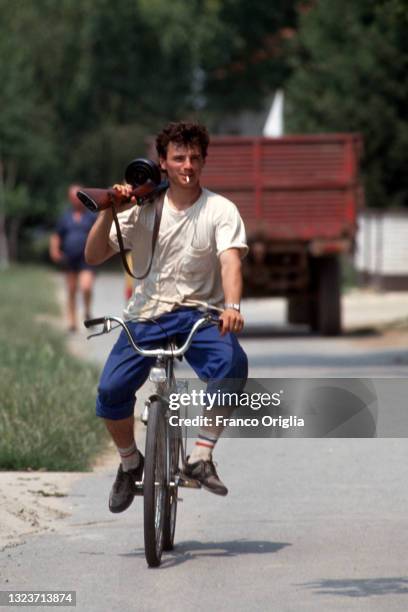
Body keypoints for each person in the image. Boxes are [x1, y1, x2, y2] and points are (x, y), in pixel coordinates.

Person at [85, 121, 248, 513]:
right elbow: (92, 256)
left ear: (204, 161)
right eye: (178, 157)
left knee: (233, 363)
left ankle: (201, 456)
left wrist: (232, 306)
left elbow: (230, 261)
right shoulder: (143, 208)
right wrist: (110, 208)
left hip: (199, 314)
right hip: (145, 315)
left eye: (194, 157)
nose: (187, 165)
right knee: (110, 392)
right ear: (163, 163)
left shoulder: (220, 209)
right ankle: (130, 463)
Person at [49, 185, 96, 332]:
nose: (76, 200)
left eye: (79, 197)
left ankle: (87, 311)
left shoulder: (91, 216)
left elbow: (98, 234)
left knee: (86, 287)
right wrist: (55, 251)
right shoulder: (65, 217)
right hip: (69, 258)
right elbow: (56, 235)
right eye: (73, 197)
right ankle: (72, 321)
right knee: (71, 290)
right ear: (70, 199)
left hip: (86, 258)